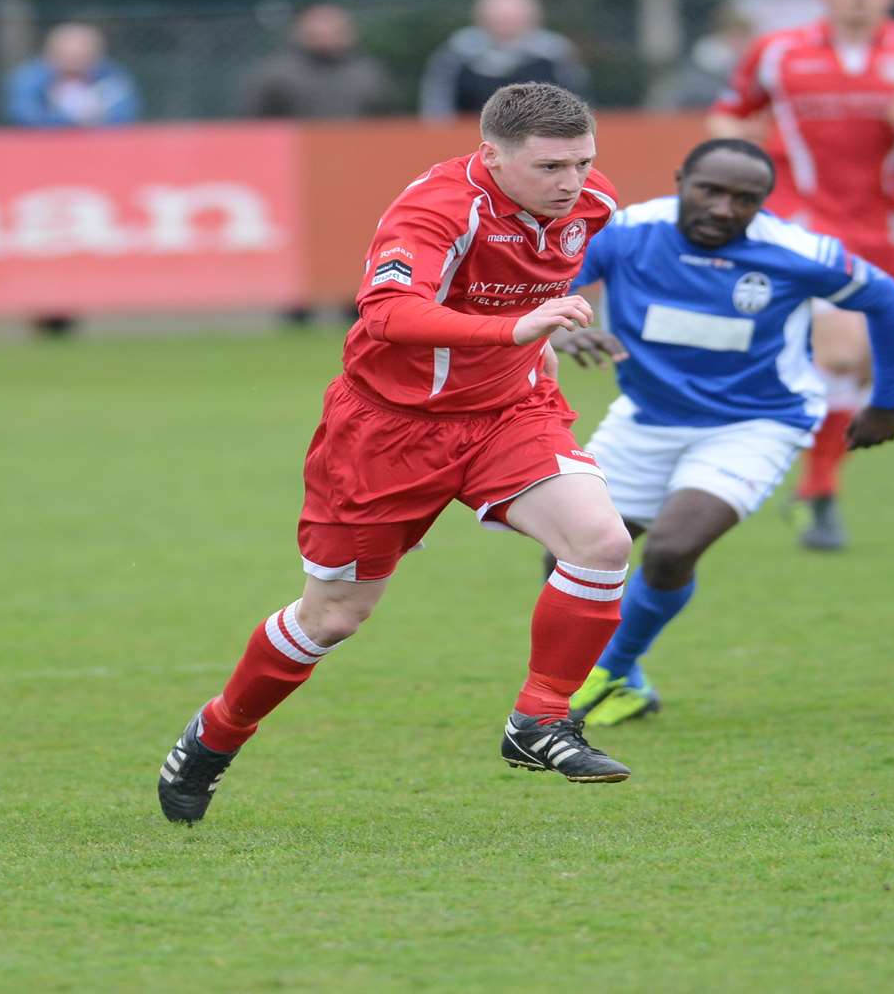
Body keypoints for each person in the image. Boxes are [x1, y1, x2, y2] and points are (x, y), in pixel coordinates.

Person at [157, 82, 632, 826]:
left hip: (509, 414)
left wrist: (548, 334)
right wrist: (515, 331)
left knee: (602, 542)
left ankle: (539, 719)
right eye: (549, 167)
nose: (571, 182)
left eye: (582, 161)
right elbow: (386, 314)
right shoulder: (437, 209)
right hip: (389, 432)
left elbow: (566, 273)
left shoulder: (590, 203)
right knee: (334, 616)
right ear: (493, 157)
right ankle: (217, 734)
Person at [550, 139, 894, 726]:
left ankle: (609, 671)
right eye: (709, 191)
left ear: (764, 205)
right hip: (646, 416)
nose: (723, 208)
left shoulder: (796, 251)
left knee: (671, 549)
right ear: (680, 181)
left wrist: (888, 402)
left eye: (744, 199)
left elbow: (889, 300)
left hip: (756, 423)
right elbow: (549, 283)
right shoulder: (623, 232)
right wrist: (557, 326)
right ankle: (630, 685)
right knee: (572, 553)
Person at [708, 0, 894, 551]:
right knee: (837, 353)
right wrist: (740, 151)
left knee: (860, 368)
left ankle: (813, 485)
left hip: (887, 228)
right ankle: (816, 493)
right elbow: (726, 113)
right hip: (802, 223)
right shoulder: (778, 52)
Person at [420, 0, 589, 119]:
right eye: (499, 18)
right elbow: (438, 103)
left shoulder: (553, 52)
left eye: (513, 18)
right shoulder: (458, 53)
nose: (506, 24)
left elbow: (577, 100)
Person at [239, 3, 398, 119]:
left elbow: (386, 117)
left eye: (334, 30)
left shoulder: (369, 73)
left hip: (356, 153)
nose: (326, 37)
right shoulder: (276, 74)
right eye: (318, 32)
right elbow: (255, 120)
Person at [3, 22, 142, 127]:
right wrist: (71, 119)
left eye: (82, 57)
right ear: (51, 54)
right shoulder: (29, 78)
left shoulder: (111, 76)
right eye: (68, 57)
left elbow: (126, 112)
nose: (75, 64)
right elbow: (23, 115)